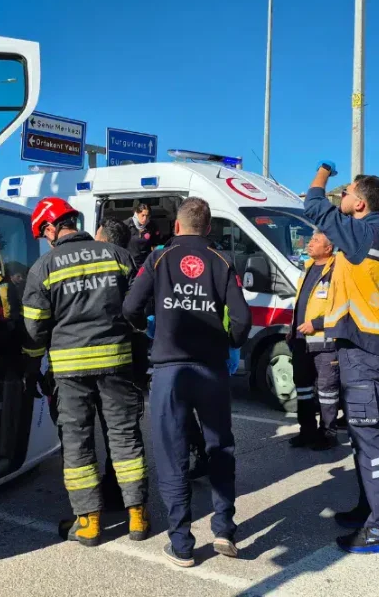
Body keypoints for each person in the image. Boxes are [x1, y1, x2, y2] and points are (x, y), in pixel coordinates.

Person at [123, 197, 252, 568]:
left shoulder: (158, 258)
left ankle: (181, 544)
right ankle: (224, 529)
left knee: (173, 454)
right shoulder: (221, 261)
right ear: (208, 228)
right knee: (220, 447)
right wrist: (228, 343)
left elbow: (130, 308)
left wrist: (149, 330)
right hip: (211, 370)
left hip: (170, 371)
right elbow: (241, 320)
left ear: (177, 226)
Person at [22, 198, 150, 547]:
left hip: (70, 371)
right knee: (125, 436)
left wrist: (31, 367)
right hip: (117, 363)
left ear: (52, 227)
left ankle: (89, 524)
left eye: (44, 233)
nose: (46, 240)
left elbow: (34, 330)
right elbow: (139, 309)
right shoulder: (118, 256)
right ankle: (138, 516)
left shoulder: (43, 267)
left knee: (77, 443)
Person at [304, 161, 379, 555]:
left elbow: (315, 205)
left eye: (346, 192)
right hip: (367, 344)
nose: (341, 196)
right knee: (363, 438)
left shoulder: (365, 233)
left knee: (370, 438)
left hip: (364, 349)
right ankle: (369, 511)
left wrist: (322, 173)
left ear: (360, 204)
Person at [287, 230, 341, 451]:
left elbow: (341, 309)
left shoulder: (337, 271)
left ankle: (328, 435)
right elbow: (302, 302)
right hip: (301, 341)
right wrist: (292, 330)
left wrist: (317, 324)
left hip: (324, 342)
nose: (310, 244)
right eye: (311, 240)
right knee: (303, 390)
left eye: (316, 241)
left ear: (328, 248)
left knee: (327, 392)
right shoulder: (308, 267)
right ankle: (306, 431)